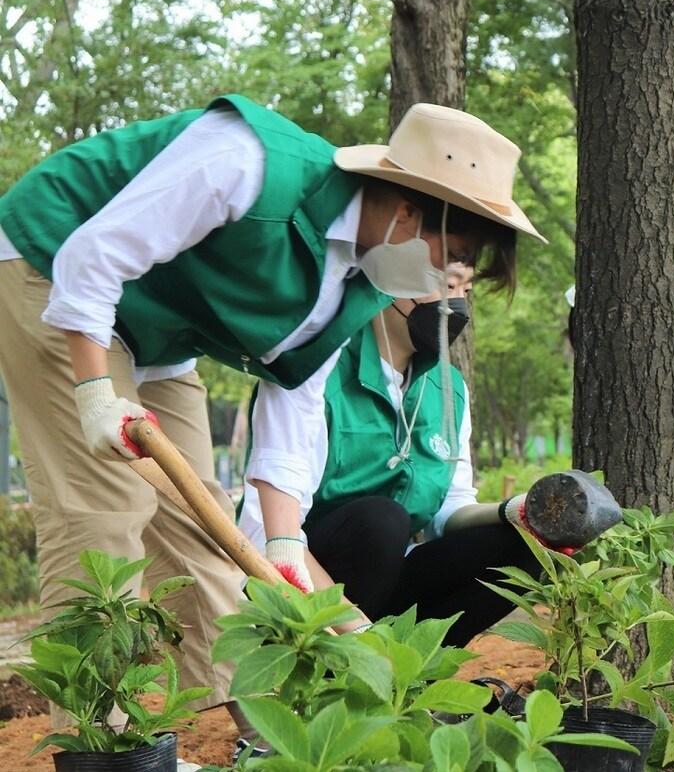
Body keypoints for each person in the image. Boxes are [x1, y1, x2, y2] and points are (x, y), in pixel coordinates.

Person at [0, 96, 539, 725]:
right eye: (450, 255)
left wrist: (284, 542)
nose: (442, 280)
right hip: (49, 260)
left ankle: (252, 733)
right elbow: (93, 255)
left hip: (159, 327)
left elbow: (292, 401)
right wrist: (95, 391)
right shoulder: (248, 162)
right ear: (407, 212)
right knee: (106, 509)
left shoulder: (357, 283)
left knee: (202, 526)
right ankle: (101, 744)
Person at [239, 265, 565, 647]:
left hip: (385, 585)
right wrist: (361, 636)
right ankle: (345, 667)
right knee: (381, 521)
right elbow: (265, 534)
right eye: (447, 284)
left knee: (525, 546)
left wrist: (517, 512)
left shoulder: (448, 389)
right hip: (300, 585)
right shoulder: (317, 372)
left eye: (466, 290)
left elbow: (448, 510)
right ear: (389, 279)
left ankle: (415, 672)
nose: (457, 304)